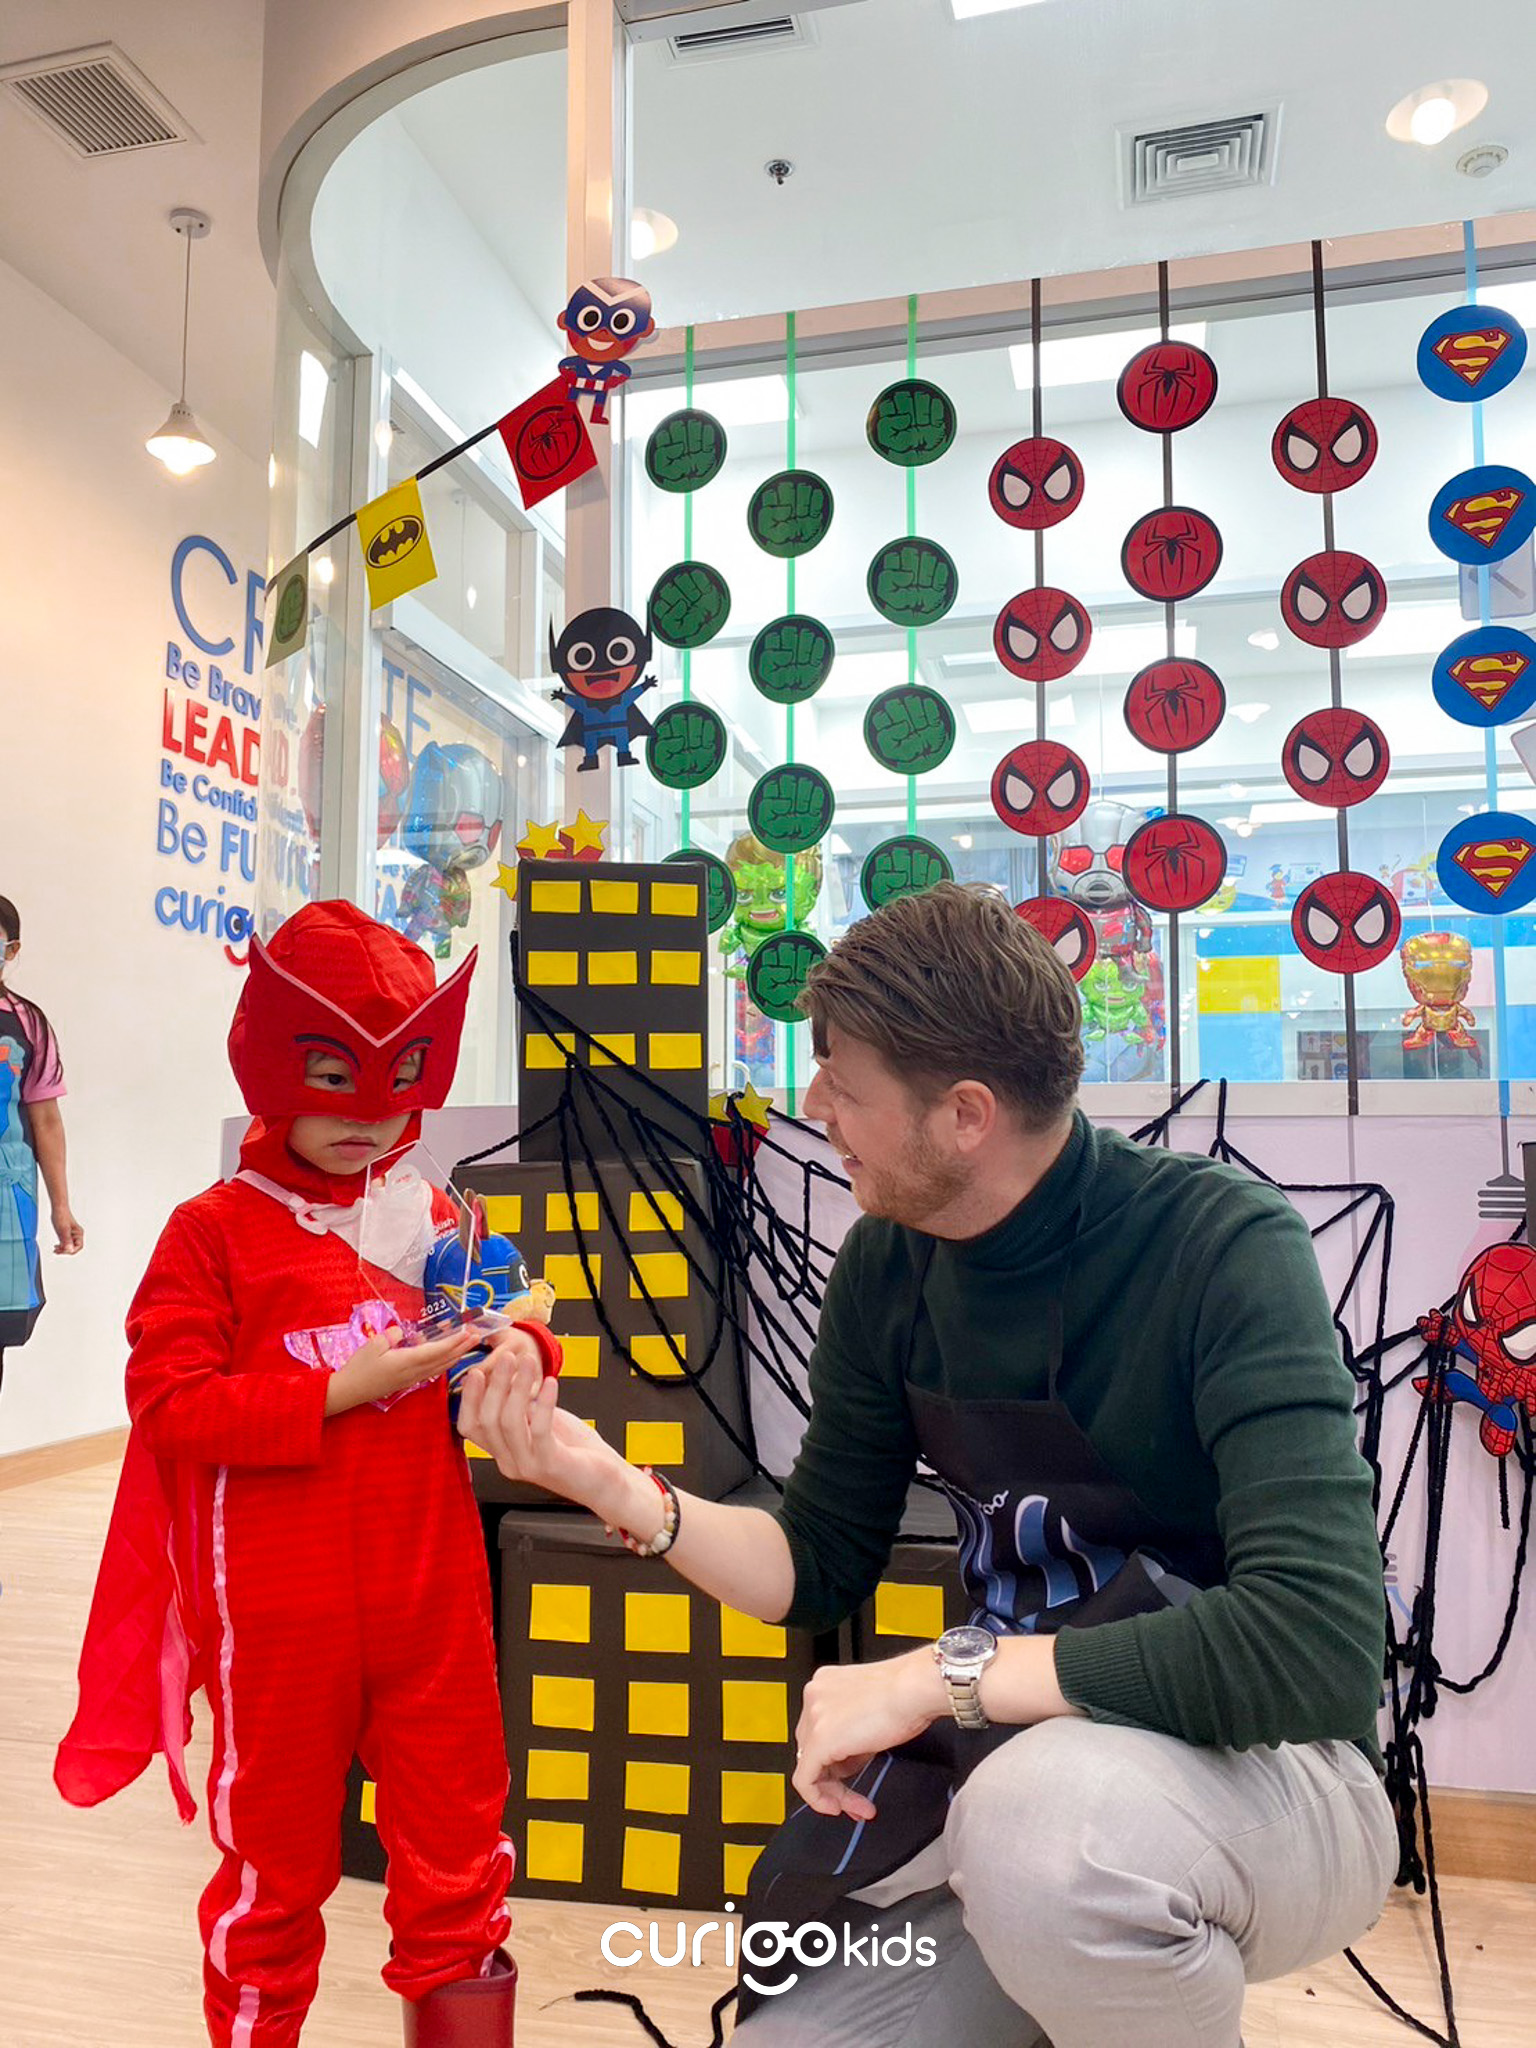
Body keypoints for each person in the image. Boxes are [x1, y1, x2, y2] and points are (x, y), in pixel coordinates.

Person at [458, 881, 1396, 2048]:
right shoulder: (887, 1267)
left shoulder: (1219, 1245)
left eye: (842, 1086)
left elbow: (1316, 1644)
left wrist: (944, 1676)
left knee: (1043, 1832)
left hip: (1271, 1773)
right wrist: (597, 1473)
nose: (815, 1108)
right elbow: (814, 1563)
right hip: (1011, 1778)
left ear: (964, 1114)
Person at [57, 901, 561, 2048]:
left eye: (398, 1085)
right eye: (335, 1080)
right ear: (275, 1064)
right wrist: (342, 1384)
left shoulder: (436, 1212)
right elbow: (170, 1403)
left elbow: (501, 1324)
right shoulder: (216, 1231)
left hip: (431, 1602)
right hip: (279, 1618)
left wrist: (524, 1348)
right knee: (273, 1872)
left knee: (461, 1860)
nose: (369, 1116)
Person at [0, 894, 83, 1391]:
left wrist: (62, 1206)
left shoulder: (27, 1023)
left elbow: (47, 1120)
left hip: (6, 1199)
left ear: (11, 950)